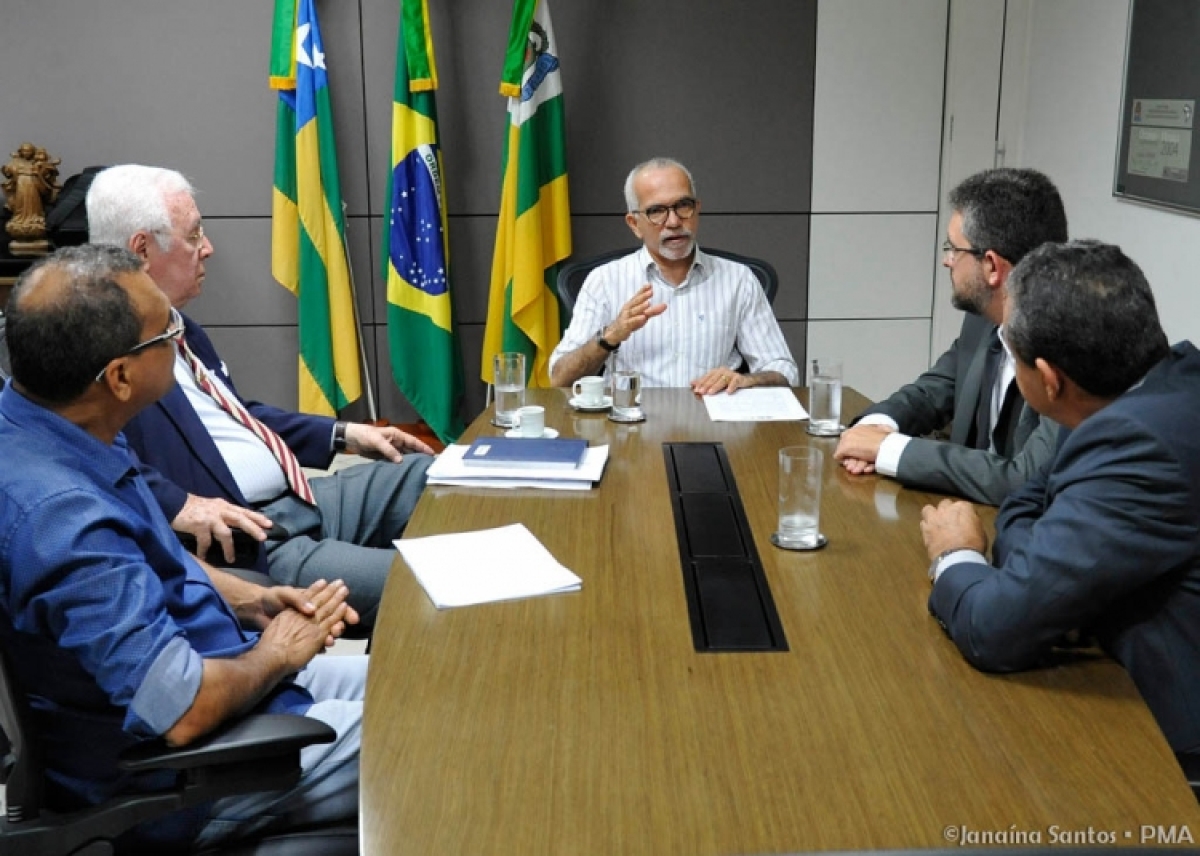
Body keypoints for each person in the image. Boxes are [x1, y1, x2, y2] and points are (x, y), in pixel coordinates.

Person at [0, 244, 364, 850]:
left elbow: (144, 555)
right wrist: (276, 654)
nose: (180, 336)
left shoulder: (56, 422)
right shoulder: (62, 521)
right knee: (437, 738)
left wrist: (251, 600)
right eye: (168, 331)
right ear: (119, 376)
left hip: (230, 675)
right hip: (192, 776)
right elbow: (183, 710)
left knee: (421, 687)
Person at [87, 164, 434, 630]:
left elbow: (236, 414)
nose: (207, 248)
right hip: (255, 545)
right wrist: (176, 504)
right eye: (194, 236)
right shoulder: (98, 352)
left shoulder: (178, 325)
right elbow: (82, 460)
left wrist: (343, 434)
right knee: (429, 582)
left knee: (433, 474)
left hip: (302, 497)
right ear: (143, 250)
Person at [920, 240, 1200, 755]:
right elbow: (1030, 498)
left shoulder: (1138, 446)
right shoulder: (1143, 387)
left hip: (1162, 747)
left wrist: (954, 553)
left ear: (1049, 380)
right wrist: (1040, 562)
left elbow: (994, 629)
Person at [834, 167, 1067, 505]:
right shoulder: (983, 320)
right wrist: (875, 427)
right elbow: (933, 391)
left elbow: (1024, 479)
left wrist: (890, 450)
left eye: (954, 249)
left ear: (991, 267)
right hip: (960, 517)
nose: (947, 261)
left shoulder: (1071, 347)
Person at [548, 157, 799, 393]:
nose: (674, 221)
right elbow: (560, 379)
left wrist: (748, 380)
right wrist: (610, 336)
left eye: (683, 206)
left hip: (713, 422)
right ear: (634, 224)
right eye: (656, 210)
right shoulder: (604, 281)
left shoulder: (738, 280)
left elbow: (784, 370)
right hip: (630, 425)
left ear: (697, 210)